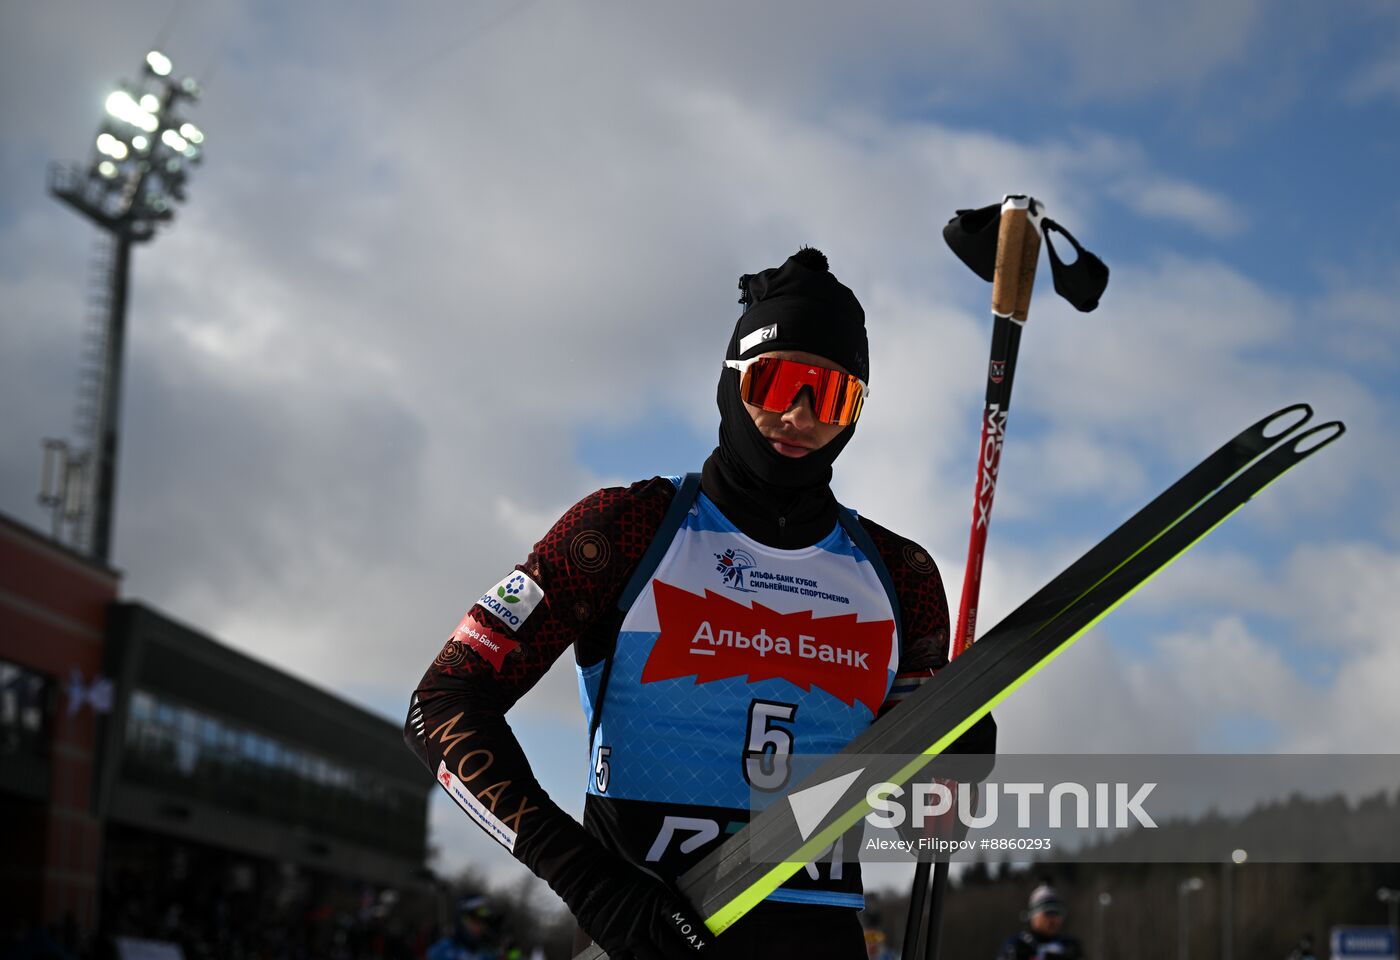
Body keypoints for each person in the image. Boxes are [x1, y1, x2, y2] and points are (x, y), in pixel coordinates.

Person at [406, 247, 996, 959]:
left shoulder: (900, 576)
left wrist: (963, 752)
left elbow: (929, 828)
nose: (799, 415)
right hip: (650, 939)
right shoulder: (627, 530)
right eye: (777, 381)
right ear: (732, 378)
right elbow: (439, 706)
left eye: (833, 395)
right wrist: (595, 888)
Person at [997, 884, 1084, 960]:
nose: (1053, 919)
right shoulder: (1018, 946)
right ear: (1033, 915)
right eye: (1048, 913)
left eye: (1057, 913)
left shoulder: (1069, 946)